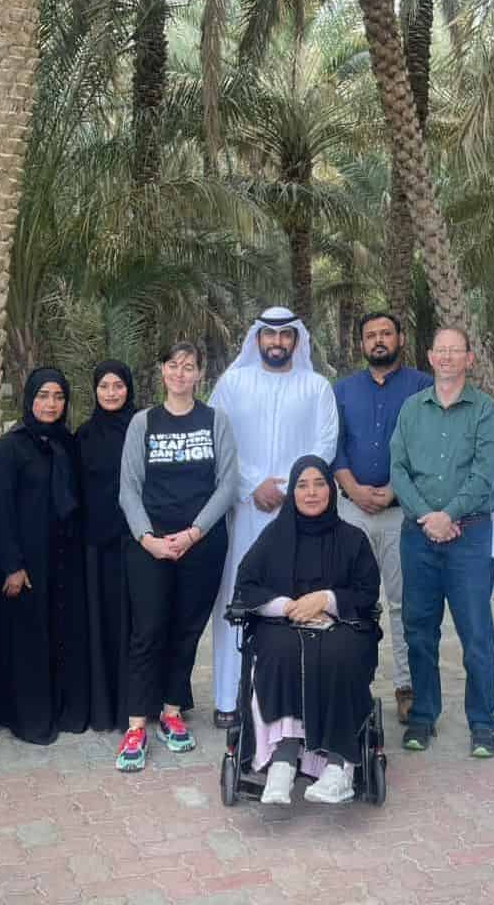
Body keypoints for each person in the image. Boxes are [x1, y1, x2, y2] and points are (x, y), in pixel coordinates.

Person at [208, 307, 339, 727]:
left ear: (296, 340)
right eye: (270, 335)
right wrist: (252, 486)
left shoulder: (316, 387)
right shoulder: (232, 384)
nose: (277, 342)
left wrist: (289, 489)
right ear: (257, 339)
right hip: (245, 512)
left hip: (299, 513)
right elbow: (218, 440)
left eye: (285, 335)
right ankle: (230, 698)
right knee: (238, 597)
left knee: (298, 596)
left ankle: (292, 700)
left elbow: (325, 444)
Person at [114, 342, 238, 771]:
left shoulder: (215, 420)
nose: (180, 373)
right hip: (151, 545)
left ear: (199, 373)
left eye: (189, 366)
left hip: (201, 544)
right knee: (147, 630)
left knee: (187, 630)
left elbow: (228, 484)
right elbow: (128, 487)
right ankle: (136, 724)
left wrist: (193, 533)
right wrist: (147, 538)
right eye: (173, 365)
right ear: (162, 371)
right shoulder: (143, 422)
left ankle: (171, 711)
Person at [233, 456, 381, 805]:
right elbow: (247, 585)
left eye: (319, 484)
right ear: (293, 492)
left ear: (332, 489)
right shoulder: (274, 537)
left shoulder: (353, 539)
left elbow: (367, 593)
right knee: (279, 650)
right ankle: (282, 761)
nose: (311, 493)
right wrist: (286, 606)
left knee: (340, 652)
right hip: (282, 624)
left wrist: (326, 600)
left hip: (340, 625)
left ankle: (339, 767)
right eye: (302, 485)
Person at [390, 327, 494, 758]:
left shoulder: (487, 412)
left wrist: (449, 515)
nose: (447, 357)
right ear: (429, 356)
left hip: (470, 537)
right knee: (419, 630)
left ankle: (483, 723)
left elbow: (484, 474)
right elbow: (398, 469)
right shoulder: (411, 409)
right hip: (418, 537)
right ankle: (423, 716)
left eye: (456, 351)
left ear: (469, 359)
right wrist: (428, 517)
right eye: (441, 350)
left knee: (476, 633)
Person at [332, 312, 432, 725]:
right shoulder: (342, 390)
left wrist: (394, 489)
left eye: (386, 333)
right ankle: (351, 685)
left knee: (403, 603)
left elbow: (425, 445)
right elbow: (334, 445)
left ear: (400, 338)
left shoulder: (422, 387)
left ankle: (407, 688)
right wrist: (352, 488)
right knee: (351, 601)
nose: (378, 340)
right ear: (361, 343)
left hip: (400, 513)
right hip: (350, 511)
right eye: (370, 334)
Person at [0, 368, 89, 745]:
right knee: (29, 639)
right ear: (29, 399)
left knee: (59, 633)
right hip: (25, 561)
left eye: (58, 396)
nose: (51, 404)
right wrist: (12, 565)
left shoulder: (68, 443)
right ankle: (30, 718)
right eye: (43, 396)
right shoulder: (11, 446)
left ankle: (63, 710)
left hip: (61, 558)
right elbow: (0, 509)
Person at [75, 360, 138, 732]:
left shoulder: (142, 428)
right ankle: (103, 706)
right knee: (101, 624)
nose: (111, 393)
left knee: (137, 625)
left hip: (137, 542)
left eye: (118, 385)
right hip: (96, 546)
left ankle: (137, 705)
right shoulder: (84, 434)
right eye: (104, 386)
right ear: (94, 390)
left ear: (128, 388)